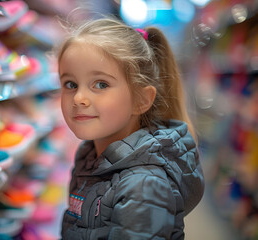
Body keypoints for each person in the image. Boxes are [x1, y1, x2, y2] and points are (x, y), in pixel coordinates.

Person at [57, 17, 205, 239]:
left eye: (101, 84)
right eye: (71, 84)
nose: (79, 98)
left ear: (141, 100)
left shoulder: (143, 186)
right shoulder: (90, 157)